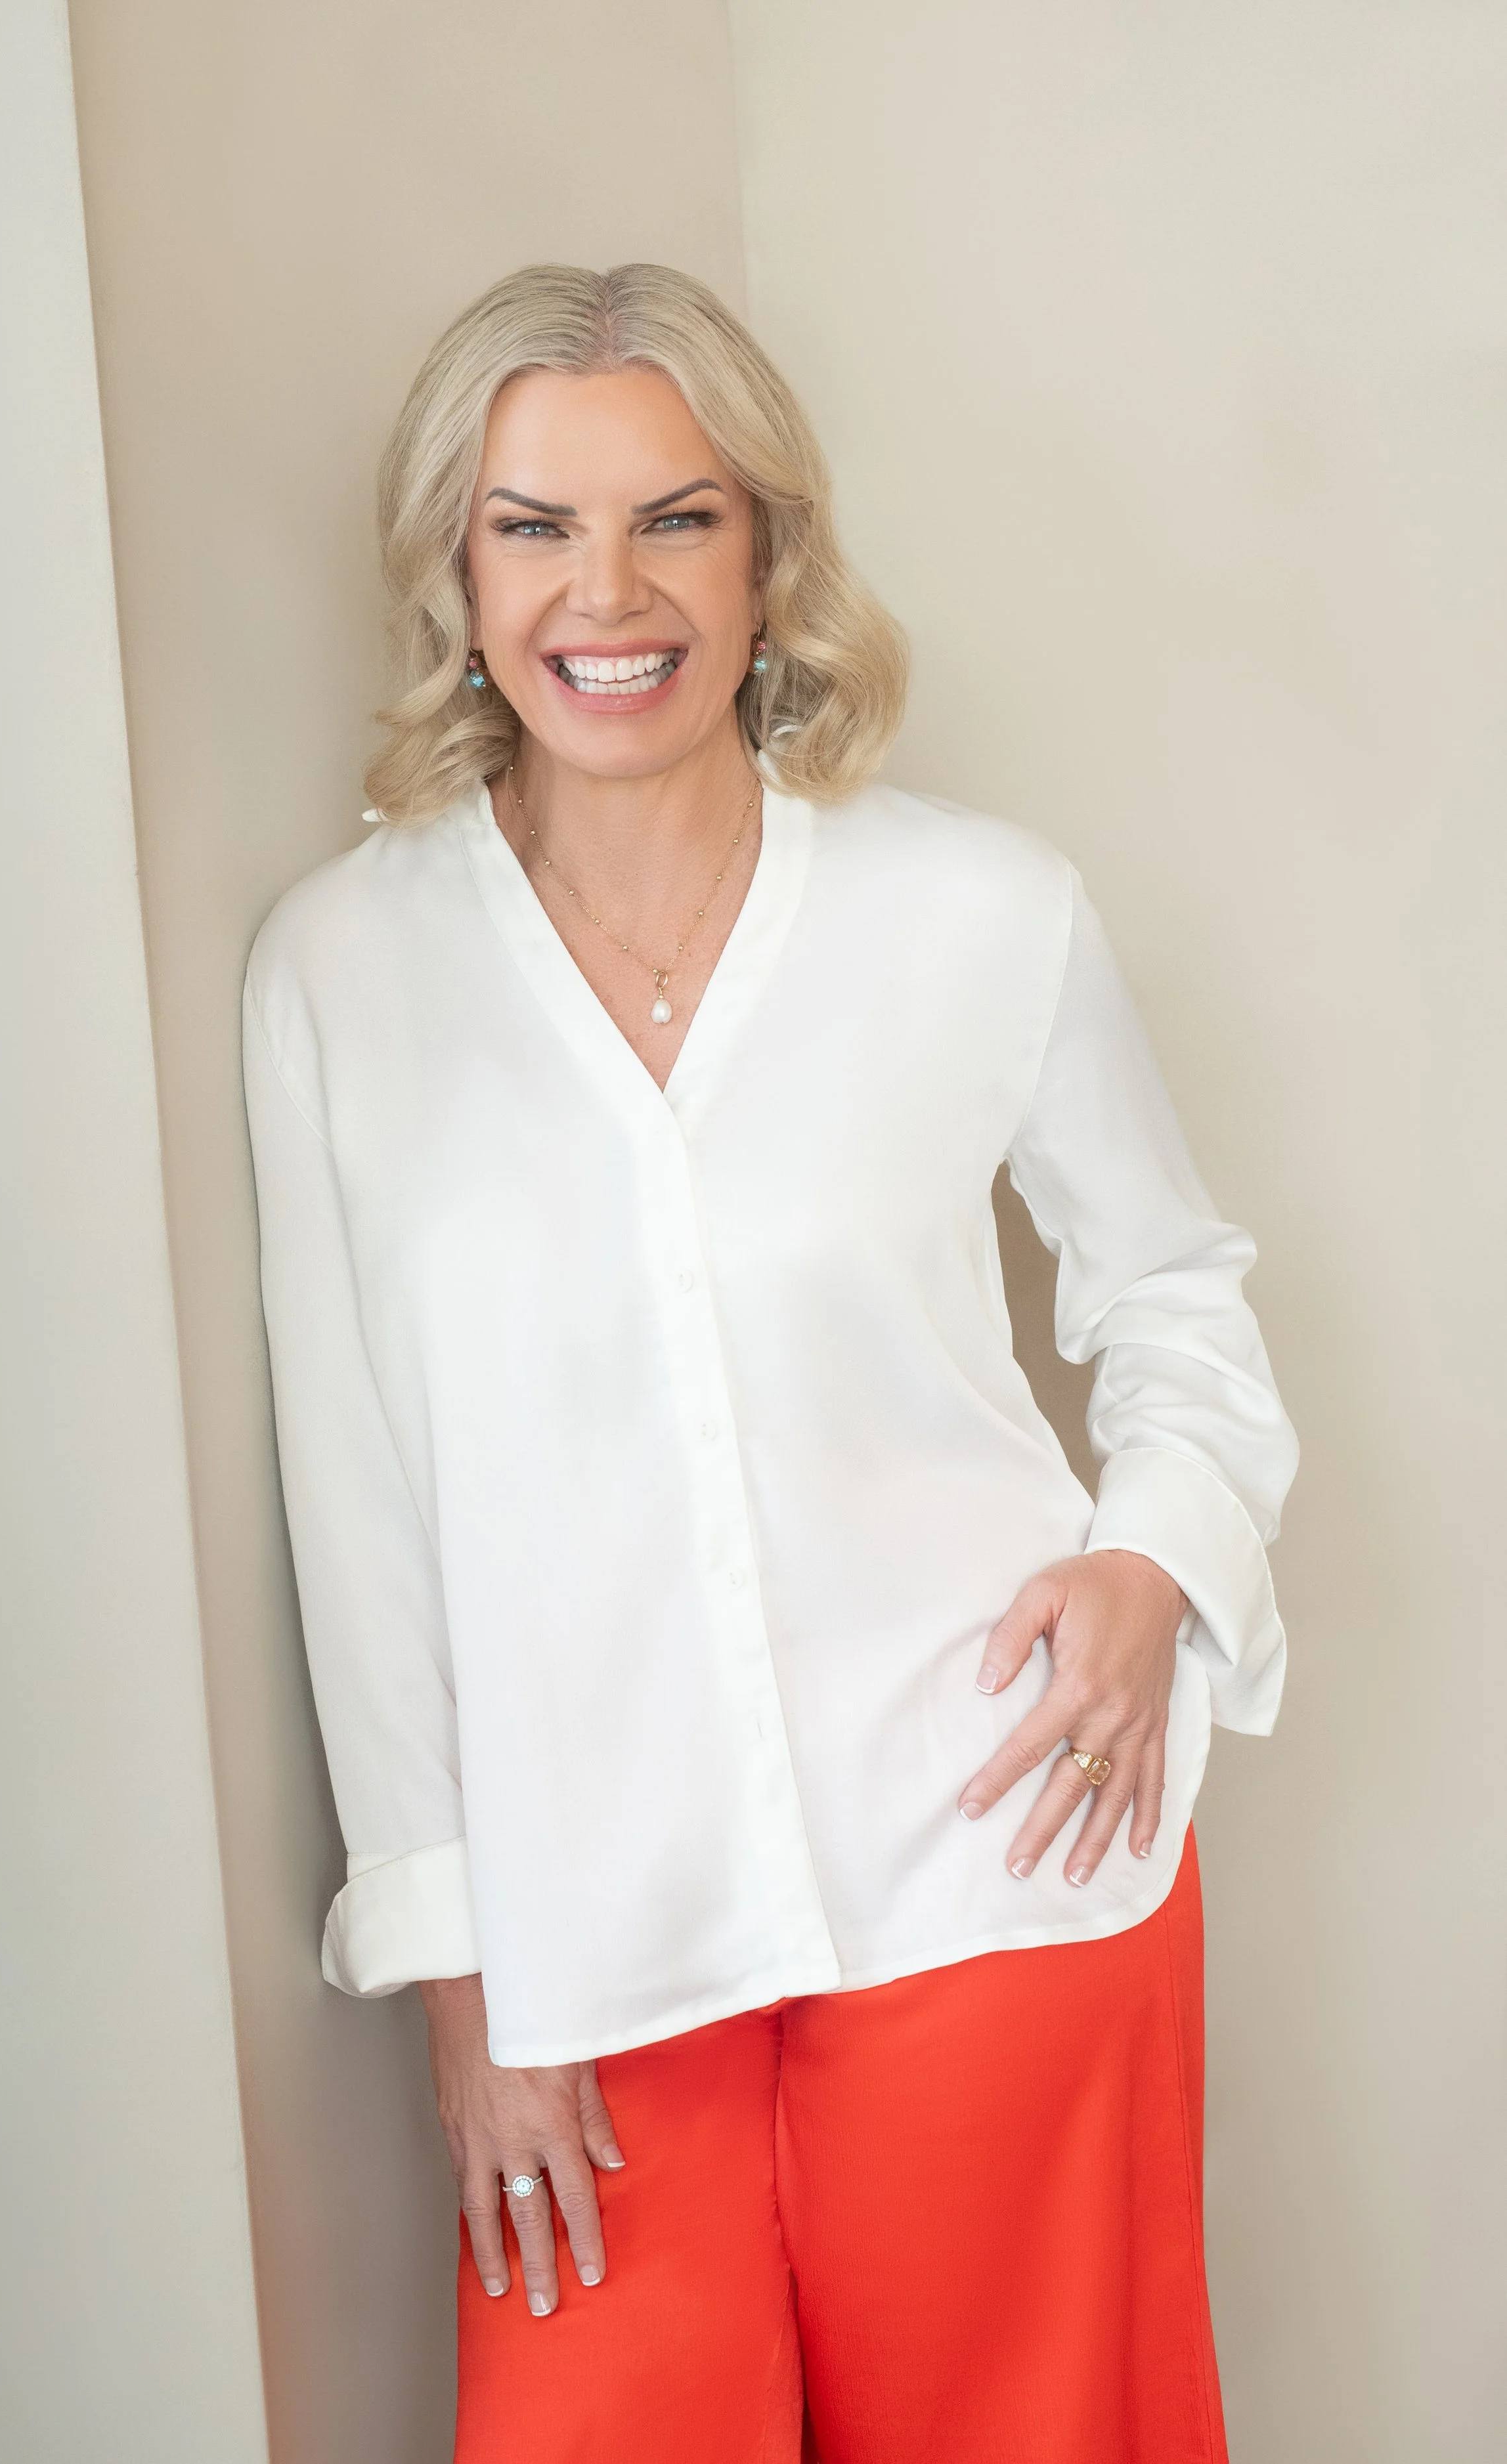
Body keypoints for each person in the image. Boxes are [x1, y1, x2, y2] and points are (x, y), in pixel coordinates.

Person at [244, 262, 1298, 2464]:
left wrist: (1152, 1572)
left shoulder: (978, 912)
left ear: (768, 556)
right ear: (457, 564)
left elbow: (1174, 1296)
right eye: (532, 525)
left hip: (989, 1876)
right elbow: (358, 1511)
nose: (603, 593)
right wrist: (464, 1988)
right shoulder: (342, 975)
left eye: (676, 520)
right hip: (589, 1953)